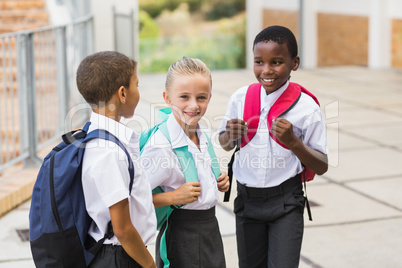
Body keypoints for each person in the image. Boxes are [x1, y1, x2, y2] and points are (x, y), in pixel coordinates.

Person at [218, 25, 328, 268]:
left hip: (286, 202)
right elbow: (224, 144)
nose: (266, 70)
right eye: (259, 62)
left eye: (276, 62)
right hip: (247, 202)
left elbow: (321, 165)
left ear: (294, 63)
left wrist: (294, 143)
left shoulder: (306, 107)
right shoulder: (240, 97)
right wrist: (229, 135)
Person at [141, 56, 230, 268]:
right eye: (184, 97)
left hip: (210, 229)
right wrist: (172, 196)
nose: (193, 105)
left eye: (201, 97)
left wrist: (218, 180)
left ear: (209, 97)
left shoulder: (202, 134)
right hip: (180, 235)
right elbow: (133, 196)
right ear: (167, 97)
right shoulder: (162, 145)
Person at [76, 51, 157, 268]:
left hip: (118, 253)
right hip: (119, 257)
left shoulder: (95, 133)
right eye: (136, 85)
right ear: (122, 93)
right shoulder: (109, 152)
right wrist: (150, 265)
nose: (138, 92)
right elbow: (122, 229)